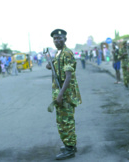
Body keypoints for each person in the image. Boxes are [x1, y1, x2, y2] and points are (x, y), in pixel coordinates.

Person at [46, 29, 82, 160]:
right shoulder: (58, 54)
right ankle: (70, 144)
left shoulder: (67, 53)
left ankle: (69, 148)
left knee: (65, 121)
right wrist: (51, 66)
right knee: (64, 120)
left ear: (65, 39)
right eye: (55, 38)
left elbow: (68, 76)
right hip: (60, 92)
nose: (57, 41)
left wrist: (60, 94)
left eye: (59, 38)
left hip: (65, 94)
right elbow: (59, 69)